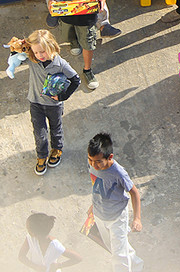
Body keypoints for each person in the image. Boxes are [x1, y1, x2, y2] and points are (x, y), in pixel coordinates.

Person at [26, 29, 80, 175]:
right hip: (35, 102)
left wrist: (62, 97)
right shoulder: (32, 60)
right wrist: (17, 48)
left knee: (56, 129)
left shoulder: (60, 64)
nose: (39, 56)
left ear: (51, 46)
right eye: (36, 52)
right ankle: (41, 156)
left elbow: (76, 80)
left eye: (42, 51)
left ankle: (57, 150)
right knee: (39, 132)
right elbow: (16, 56)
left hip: (53, 105)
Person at [88, 133, 144, 272]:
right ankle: (138, 266)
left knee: (119, 257)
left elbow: (134, 193)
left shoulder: (118, 173)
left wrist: (137, 218)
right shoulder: (93, 164)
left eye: (98, 161)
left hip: (117, 217)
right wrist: (93, 206)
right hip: (100, 214)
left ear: (110, 157)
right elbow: (97, 186)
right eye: (90, 160)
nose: (94, 165)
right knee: (114, 247)